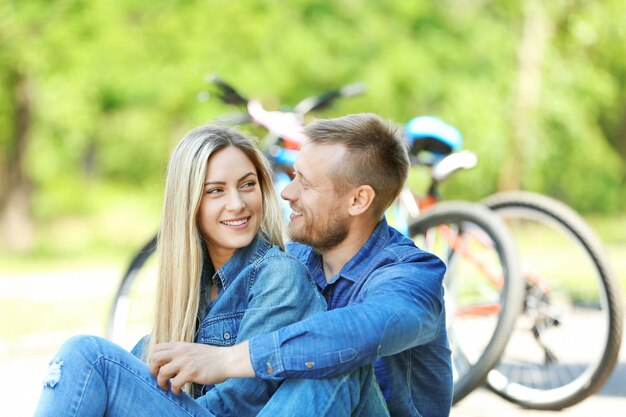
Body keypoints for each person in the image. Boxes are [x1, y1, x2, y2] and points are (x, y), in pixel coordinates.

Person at [33, 124, 385, 417]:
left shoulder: (279, 274)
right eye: (216, 191)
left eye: (247, 185)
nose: (238, 203)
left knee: (88, 357)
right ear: (189, 204)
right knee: (132, 356)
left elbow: (241, 400)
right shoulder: (191, 297)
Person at [188, 113, 452, 417]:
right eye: (292, 176)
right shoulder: (294, 261)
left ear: (358, 200)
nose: (287, 193)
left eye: (306, 183)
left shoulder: (413, 274)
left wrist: (229, 361)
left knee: (335, 364)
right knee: (139, 355)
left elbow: (362, 330)